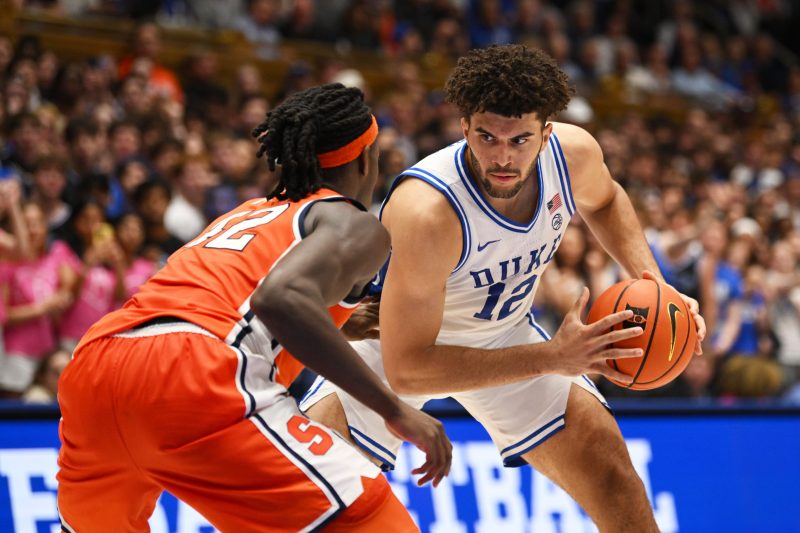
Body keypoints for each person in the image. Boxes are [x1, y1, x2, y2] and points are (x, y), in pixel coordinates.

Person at [302, 45, 706, 533]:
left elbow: (606, 201)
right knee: (311, 501)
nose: (502, 157)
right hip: (392, 344)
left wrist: (657, 286)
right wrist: (552, 358)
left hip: (503, 334)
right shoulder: (427, 211)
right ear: (464, 128)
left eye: (520, 140)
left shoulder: (573, 155)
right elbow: (408, 370)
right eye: (487, 137)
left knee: (614, 478)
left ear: (547, 133)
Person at [56, 83, 451, 533]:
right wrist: (393, 409)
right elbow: (278, 297)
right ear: (366, 159)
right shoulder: (354, 223)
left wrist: (337, 326)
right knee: (369, 519)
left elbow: (222, 297)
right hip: (193, 370)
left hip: (97, 364)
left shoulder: (246, 212)